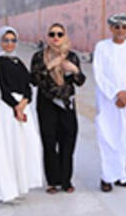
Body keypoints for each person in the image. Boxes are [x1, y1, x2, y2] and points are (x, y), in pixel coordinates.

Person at [0, 26, 44, 202]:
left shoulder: (18, 61)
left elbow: (29, 86)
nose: (10, 44)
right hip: (6, 109)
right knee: (6, 149)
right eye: (6, 40)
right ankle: (6, 192)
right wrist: (16, 107)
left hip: (22, 107)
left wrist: (24, 103)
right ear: (0, 41)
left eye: (13, 40)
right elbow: (2, 88)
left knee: (23, 147)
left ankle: (19, 187)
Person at [30, 23, 85, 193]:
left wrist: (74, 70)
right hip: (47, 103)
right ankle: (53, 181)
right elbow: (33, 80)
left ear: (64, 36)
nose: (56, 37)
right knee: (49, 141)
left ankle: (66, 180)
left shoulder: (72, 57)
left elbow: (81, 81)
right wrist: (49, 66)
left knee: (68, 141)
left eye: (59, 34)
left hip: (67, 103)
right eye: (52, 34)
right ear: (47, 36)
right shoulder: (39, 57)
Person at [93, 13, 126, 192]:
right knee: (108, 136)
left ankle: (122, 175)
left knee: (125, 136)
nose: (120, 30)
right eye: (117, 27)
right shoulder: (102, 47)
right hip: (108, 100)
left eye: (124, 27)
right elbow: (99, 73)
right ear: (111, 28)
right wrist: (115, 94)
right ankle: (107, 176)